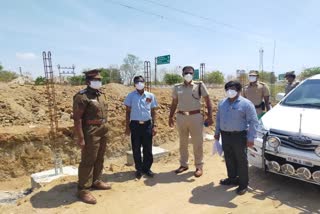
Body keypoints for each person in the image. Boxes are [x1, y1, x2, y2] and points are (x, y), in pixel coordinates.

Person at [73, 69, 111, 204]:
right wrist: (81, 138)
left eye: (99, 80)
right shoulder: (82, 97)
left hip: (103, 129)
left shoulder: (101, 95)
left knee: (100, 157)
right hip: (90, 131)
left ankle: (96, 181)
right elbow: (77, 119)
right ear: (88, 81)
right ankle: (83, 189)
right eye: (96, 80)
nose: (98, 82)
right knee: (88, 159)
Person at [214, 80, 259, 195]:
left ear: (239, 91)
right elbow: (218, 119)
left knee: (241, 160)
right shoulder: (222, 103)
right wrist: (217, 132)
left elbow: (253, 122)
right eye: (228, 89)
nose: (230, 91)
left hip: (239, 136)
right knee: (228, 158)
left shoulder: (246, 104)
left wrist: (251, 138)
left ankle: (243, 184)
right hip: (225, 135)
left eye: (233, 89)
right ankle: (232, 178)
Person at [169, 66, 213, 178]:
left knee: (197, 142)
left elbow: (207, 100)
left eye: (190, 73)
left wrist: (210, 116)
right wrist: (170, 117)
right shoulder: (177, 87)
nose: (188, 74)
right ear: (182, 74)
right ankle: (183, 164)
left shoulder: (199, 85)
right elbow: (174, 103)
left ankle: (199, 166)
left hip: (196, 116)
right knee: (182, 142)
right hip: (181, 116)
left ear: (193, 74)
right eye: (186, 73)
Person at [124, 75, 158, 179]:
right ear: (134, 84)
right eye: (137, 82)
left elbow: (153, 111)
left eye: (141, 81)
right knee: (136, 148)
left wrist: (154, 125)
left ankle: (147, 168)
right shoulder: (130, 96)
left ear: (144, 82)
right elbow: (127, 112)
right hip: (135, 125)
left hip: (147, 125)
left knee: (148, 148)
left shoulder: (150, 96)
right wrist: (127, 126)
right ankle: (138, 169)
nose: (140, 83)